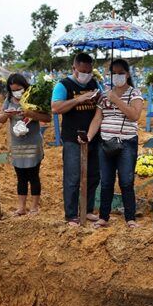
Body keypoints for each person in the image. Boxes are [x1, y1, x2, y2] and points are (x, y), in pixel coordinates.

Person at [85, 59, 144, 228]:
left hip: (126, 143)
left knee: (126, 181)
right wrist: (89, 137)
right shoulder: (104, 96)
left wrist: (116, 100)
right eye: (114, 73)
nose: (117, 76)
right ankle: (104, 217)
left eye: (121, 73)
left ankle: (130, 217)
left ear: (127, 74)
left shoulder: (134, 93)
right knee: (106, 182)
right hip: (105, 143)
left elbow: (134, 115)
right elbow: (97, 119)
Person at [51, 53, 102, 226]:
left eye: (89, 71)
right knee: (72, 177)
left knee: (94, 175)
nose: (86, 74)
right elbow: (56, 107)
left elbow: (101, 105)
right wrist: (78, 99)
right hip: (72, 138)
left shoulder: (94, 84)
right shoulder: (63, 85)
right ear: (74, 68)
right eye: (83, 71)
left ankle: (86, 210)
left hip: (93, 137)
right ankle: (71, 214)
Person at [0, 73, 51, 215]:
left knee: (33, 175)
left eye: (19, 88)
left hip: (33, 142)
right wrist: (7, 114)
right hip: (17, 144)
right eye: (13, 89)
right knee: (20, 176)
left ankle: (34, 207)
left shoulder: (34, 97)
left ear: (24, 86)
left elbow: (47, 117)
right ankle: (21, 207)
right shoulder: (9, 100)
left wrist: (31, 114)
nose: (17, 92)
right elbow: (0, 119)